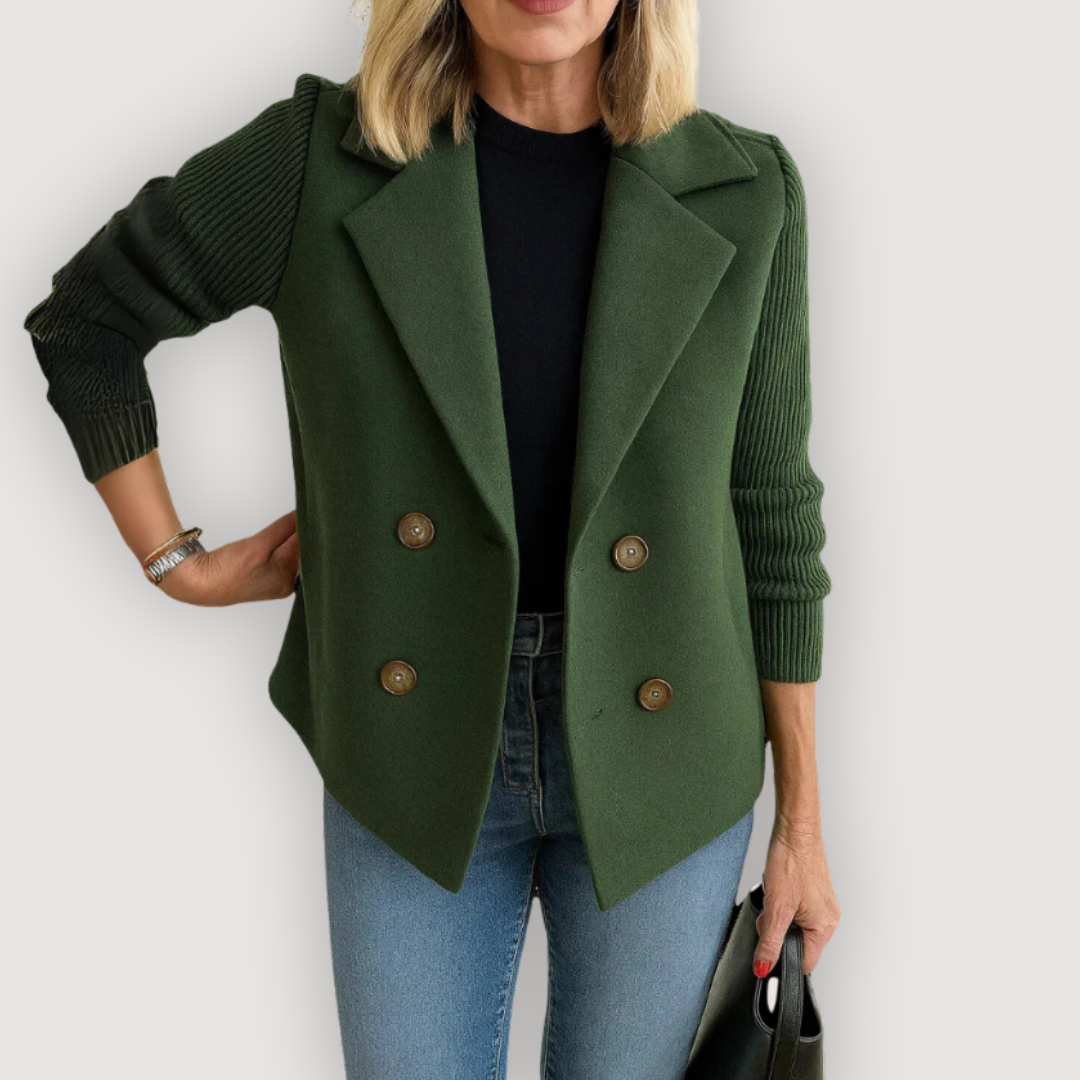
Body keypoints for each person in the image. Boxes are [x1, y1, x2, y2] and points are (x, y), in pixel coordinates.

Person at [22, 1, 840, 1077]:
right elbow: (88, 320)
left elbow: (772, 510)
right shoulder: (319, 161)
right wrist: (177, 563)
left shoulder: (745, 187)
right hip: (405, 744)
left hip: (670, 748)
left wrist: (802, 822)